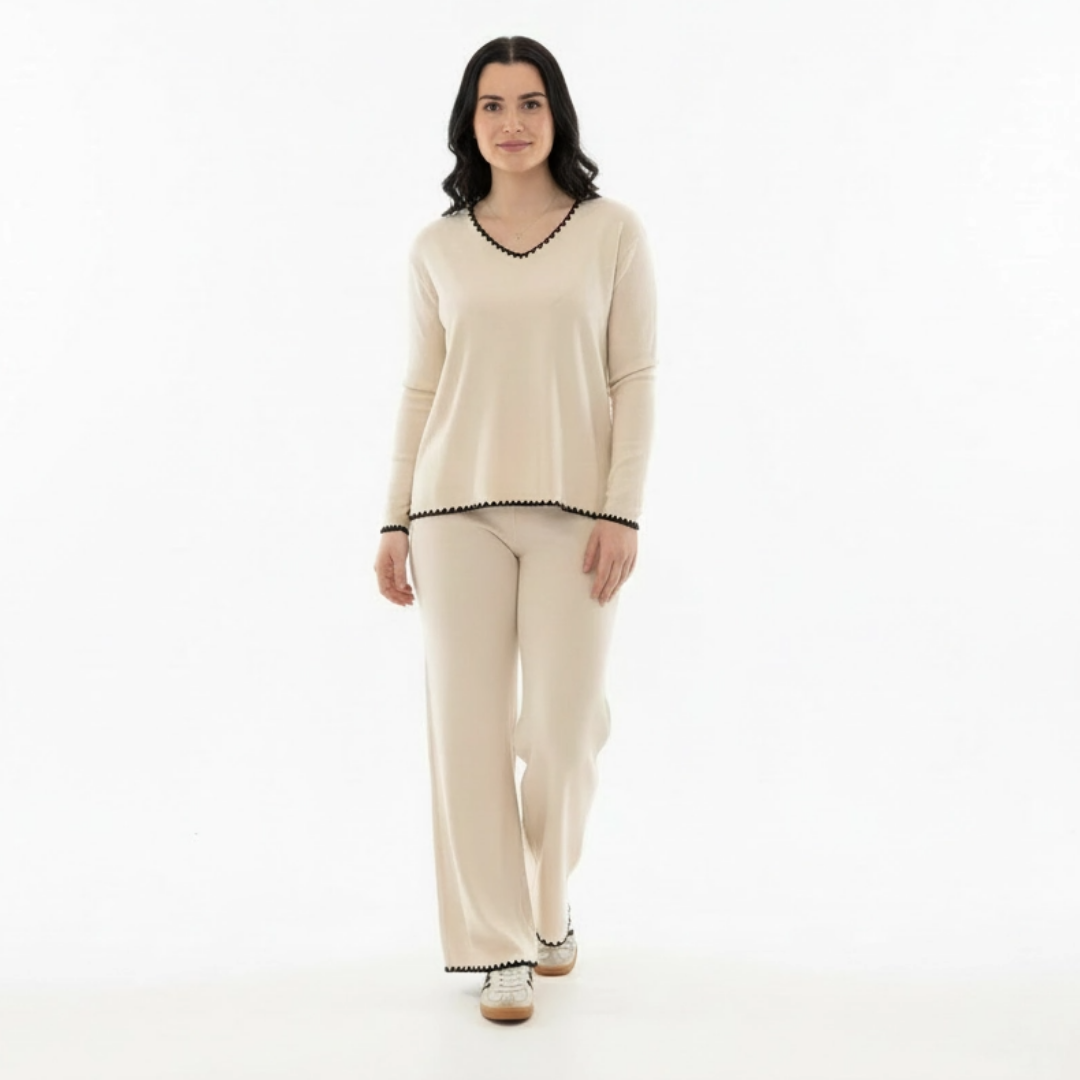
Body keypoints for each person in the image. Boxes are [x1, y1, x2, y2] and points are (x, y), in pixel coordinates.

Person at [372, 34, 657, 1023]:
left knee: (563, 733)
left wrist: (623, 507)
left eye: (530, 102)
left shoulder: (611, 231)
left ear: (556, 114)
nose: (512, 122)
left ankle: (545, 905)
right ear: (470, 122)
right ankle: (501, 946)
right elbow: (421, 388)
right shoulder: (437, 247)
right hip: (453, 513)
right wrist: (393, 518)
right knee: (468, 730)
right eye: (492, 105)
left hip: (578, 515)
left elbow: (635, 377)